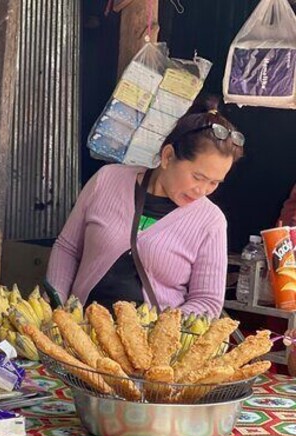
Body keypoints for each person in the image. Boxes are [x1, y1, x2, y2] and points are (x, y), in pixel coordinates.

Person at [47, 97, 244, 316]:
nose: (203, 190)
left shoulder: (210, 221)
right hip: (79, 333)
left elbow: (206, 302)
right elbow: (67, 248)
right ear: (168, 156)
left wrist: (161, 332)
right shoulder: (107, 180)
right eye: (198, 177)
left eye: (214, 183)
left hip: (149, 347)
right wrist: (56, 305)